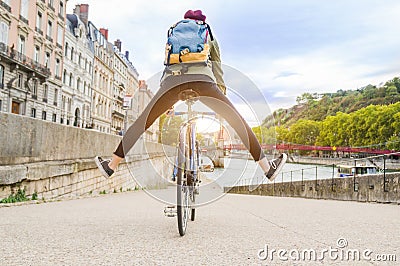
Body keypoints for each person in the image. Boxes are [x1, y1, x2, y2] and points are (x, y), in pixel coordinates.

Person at [95, 10, 287, 182]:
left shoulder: (174, 31)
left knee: (142, 122)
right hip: (203, 81)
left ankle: (111, 166)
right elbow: (217, 67)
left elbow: (168, 64)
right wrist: (221, 95)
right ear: (201, 22)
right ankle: (267, 168)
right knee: (238, 121)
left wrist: (166, 99)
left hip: (172, 82)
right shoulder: (207, 32)